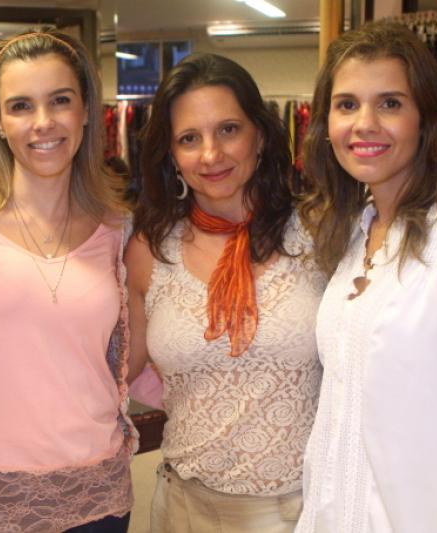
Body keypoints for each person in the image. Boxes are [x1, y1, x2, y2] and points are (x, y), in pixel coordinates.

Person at [295, 21, 437, 533]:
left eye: (390, 104)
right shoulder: (353, 238)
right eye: (346, 104)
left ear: (426, 119)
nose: (364, 124)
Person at [0, 30, 136, 532]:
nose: (43, 122)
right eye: (20, 106)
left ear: (86, 110)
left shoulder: (117, 228)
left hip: (95, 494)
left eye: (60, 100)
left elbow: (135, 353)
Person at [125, 52, 326, 533]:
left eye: (228, 130)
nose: (211, 154)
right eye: (189, 139)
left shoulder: (321, 233)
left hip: (303, 512)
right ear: (171, 155)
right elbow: (115, 372)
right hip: (183, 511)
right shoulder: (150, 249)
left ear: (261, 134)